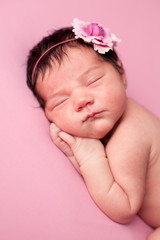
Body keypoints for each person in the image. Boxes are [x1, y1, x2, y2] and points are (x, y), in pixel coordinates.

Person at [26, 18, 160, 240]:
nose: (82, 100)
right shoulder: (116, 117)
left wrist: (89, 157)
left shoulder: (131, 134)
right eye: (61, 101)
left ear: (121, 74)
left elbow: (124, 207)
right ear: (47, 115)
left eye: (93, 81)